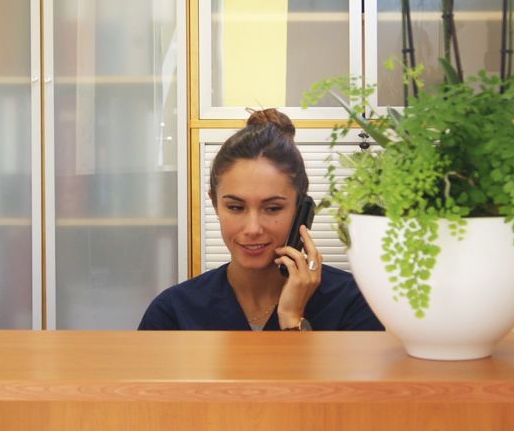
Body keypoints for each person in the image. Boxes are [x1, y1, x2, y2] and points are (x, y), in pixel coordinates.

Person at [138, 108, 383, 331]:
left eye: (272, 208)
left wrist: (292, 318)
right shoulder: (173, 312)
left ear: (302, 210)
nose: (253, 228)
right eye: (235, 207)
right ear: (214, 203)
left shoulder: (352, 303)